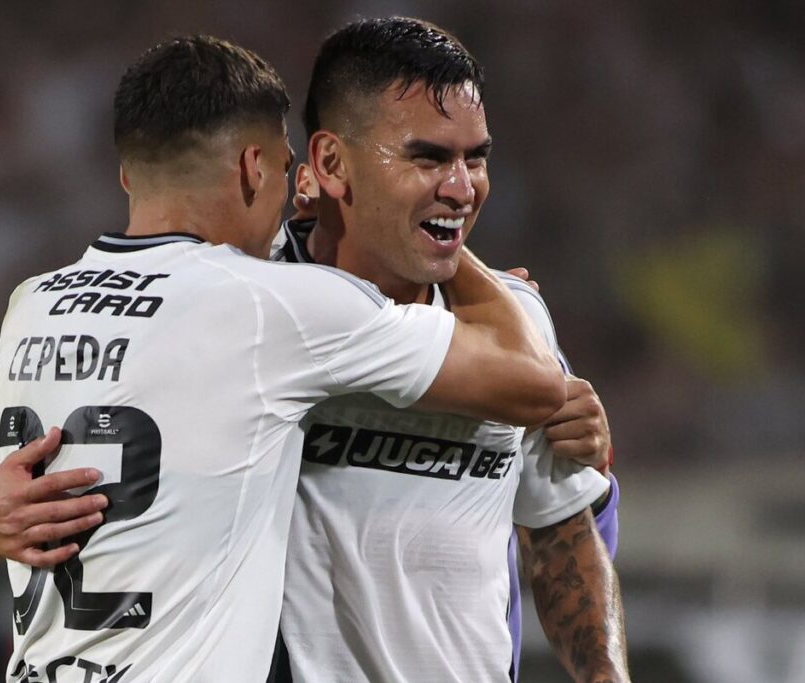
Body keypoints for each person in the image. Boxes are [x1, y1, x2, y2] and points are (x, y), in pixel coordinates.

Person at [0, 34, 565, 683]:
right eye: (287, 170)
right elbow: (536, 383)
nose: (293, 195)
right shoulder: (272, 305)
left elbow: (78, 449)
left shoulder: (33, 302)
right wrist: (452, 251)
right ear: (253, 169)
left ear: (127, 173)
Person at [266, 18, 627, 683]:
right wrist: (4, 499)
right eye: (428, 157)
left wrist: (607, 676)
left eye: (476, 157)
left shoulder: (514, 326)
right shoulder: (256, 306)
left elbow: (559, 535)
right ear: (332, 162)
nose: (462, 187)